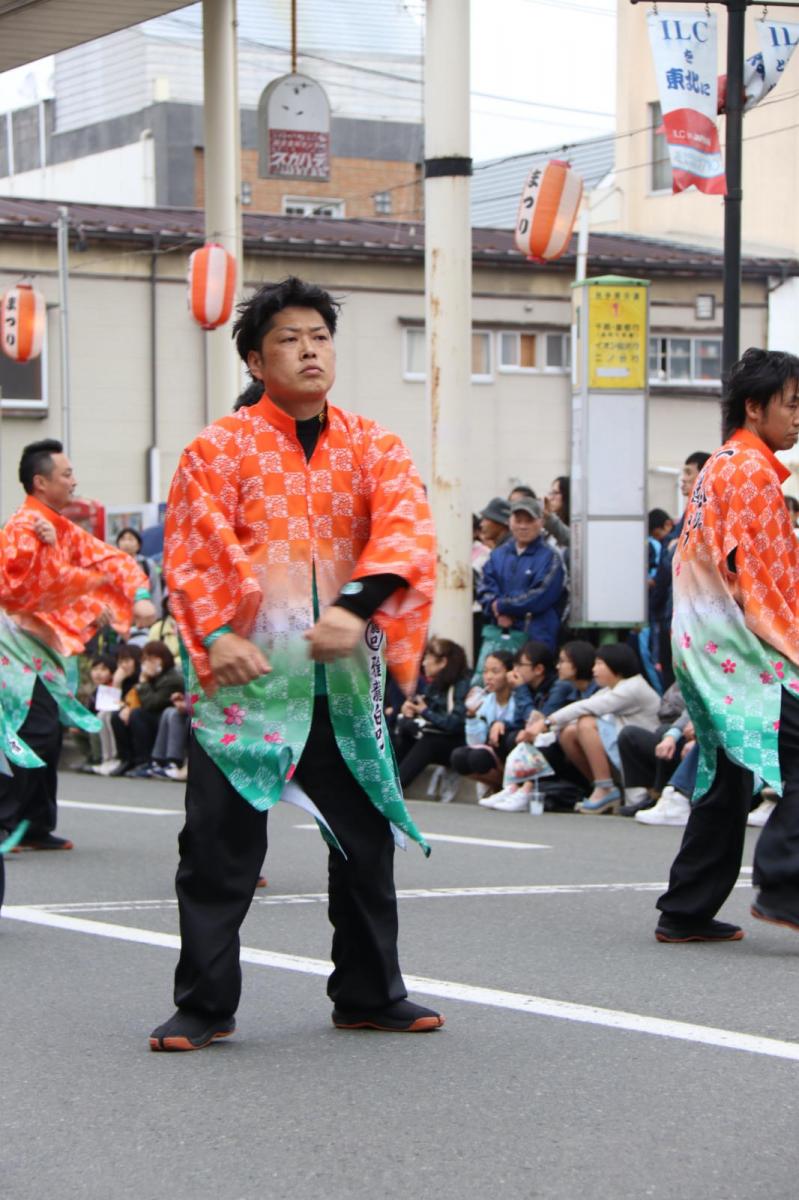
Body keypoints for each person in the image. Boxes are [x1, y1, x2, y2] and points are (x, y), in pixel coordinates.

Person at [150, 276, 442, 1052]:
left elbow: (407, 532)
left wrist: (352, 606)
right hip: (246, 689)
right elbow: (190, 554)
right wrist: (215, 636)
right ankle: (204, 1004)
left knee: (364, 846)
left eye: (320, 335)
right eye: (289, 338)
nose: (310, 349)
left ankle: (369, 992)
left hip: (340, 686)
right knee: (217, 851)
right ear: (255, 357)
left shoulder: (373, 444)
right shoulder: (217, 449)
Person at [656, 348, 799, 943]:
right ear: (754, 406)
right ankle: (785, 882)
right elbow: (766, 584)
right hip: (736, 648)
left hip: (699, 640)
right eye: (791, 405)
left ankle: (685, 909)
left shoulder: (722, 465)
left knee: (727, 773)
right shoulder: (751, 471)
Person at [0, 439, 151, 855]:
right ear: (40, 481)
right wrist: (88, 600)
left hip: (46, 653)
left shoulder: (57, 527)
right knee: (26, 732)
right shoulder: (23, 527)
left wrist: (136, 595)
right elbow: (20, 591)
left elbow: (109, 560)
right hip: (14, 652)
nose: (74, 480)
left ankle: (34, 824)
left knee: (44, 733)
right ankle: (8, 821)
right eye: (66, 474)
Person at [539, 643, 661, 815]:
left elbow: (588, 707)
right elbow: (581, 709)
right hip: (622, 750)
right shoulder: (610, 689)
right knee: (569, 733)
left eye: (600, 664)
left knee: (586, 723)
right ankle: (604, 788)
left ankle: (606, 788)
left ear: (616, 664)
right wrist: (549, 727)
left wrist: (547, 723)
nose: (594, 669)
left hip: (642, 754)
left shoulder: (633, 687)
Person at [650, 451, 712, 688]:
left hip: (690, 615)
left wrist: (675, 550)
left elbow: (677, 560)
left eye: (689, 472)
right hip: (672, 612)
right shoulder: (687, 515)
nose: (683, 479)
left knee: (683, 684)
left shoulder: (702, 515)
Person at [478, 497, 565, 653]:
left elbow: (541, 595)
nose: (523, 526)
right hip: (500, 636)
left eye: (529, 521)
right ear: (510, 522)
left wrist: (503, 606)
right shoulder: (497, 555)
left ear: (541, 522)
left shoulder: (550, 557)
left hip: (536, 639)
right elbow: (485, 587)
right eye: (518, 520)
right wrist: (494, 608)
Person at [391, 638, 470, 791]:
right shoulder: (435, 685)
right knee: (406, 730)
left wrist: (424, 711)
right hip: (441, 737)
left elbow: (454, 724)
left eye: (428, 658)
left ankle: (395, 789)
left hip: (459, 743)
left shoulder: (461, 685)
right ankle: (384, 781)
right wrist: (410, 710)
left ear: (443, 662)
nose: (424, 663)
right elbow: (425, 709)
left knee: (430, 741)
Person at [110, 640, 184, 777]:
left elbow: (152, 703)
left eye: (151, 659)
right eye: (145, 660)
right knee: (117, 716)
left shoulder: (171, 679)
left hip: (163, 718)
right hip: (151, 715)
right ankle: (126, 759)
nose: (147, 664)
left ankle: (144, 761)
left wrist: (143, 682)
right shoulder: (150, 677)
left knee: (137, 715)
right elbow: (129, 700)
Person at [450, 649, 517, 799]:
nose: (488, 677)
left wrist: (499, 723)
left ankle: (510, 786)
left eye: (495, 671)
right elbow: (476, 742)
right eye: (486, 671)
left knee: (480, 756)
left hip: (512, 753)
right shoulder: (487, 701)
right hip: (492, 752)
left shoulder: (519, 698)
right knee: (459, 757)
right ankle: (498, 785)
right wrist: (472, 716)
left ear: (510, 673)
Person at [116, 527, 163, 616]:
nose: (126, 543)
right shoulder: (113, 564)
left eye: (131, 539)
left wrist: (156, 615)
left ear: (138, 545)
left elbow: (155, 589)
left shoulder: (147, 564)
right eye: (123, 539)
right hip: (119, 615)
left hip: (143, 614)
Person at [543, 476, 570, 548]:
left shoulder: (576, 527)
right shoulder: (546, 525)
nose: (550, 498)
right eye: (550, 493)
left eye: (555, 493)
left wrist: (549, 518)